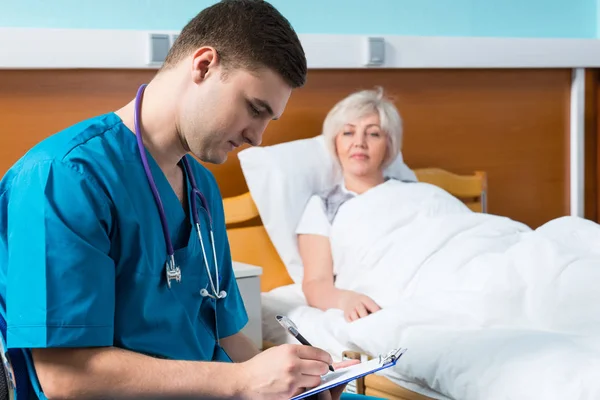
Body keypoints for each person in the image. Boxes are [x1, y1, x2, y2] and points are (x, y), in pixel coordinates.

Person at [0, 1, 377, 399]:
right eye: (254, 109)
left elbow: (230, 341)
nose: (258, 137)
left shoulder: (201, 188)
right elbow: (66, 379)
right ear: (203, 65)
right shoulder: (61, 178)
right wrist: (242, 383)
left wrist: (293, 387)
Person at [296, 87, 403, 322]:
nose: (359, 143)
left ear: (389, 145)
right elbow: (315, 283)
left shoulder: (414, 194)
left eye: (373, 134)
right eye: (348, 133)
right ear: (335, 143)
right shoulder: (322, 207)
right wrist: (347, 300)